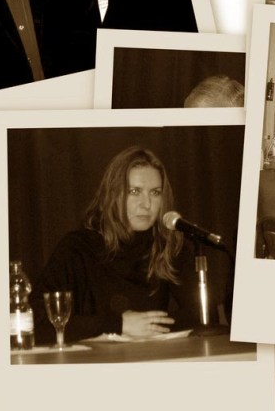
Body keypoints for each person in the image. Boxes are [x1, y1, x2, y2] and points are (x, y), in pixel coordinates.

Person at [31, 147, 184, 345]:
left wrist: (155, 329)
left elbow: (201, 315)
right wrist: (117, 324)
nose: (146, 204)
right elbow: (36, 322)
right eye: (134, 191)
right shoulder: (78, 248)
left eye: (155, 193)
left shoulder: (167, 245)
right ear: (112, 195)